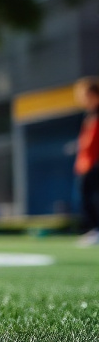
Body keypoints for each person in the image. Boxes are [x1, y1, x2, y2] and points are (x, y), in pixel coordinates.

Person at [74, 77, 99, 247]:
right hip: (86, 164)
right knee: (86, 197)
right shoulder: (89, 115)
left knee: (93, 197)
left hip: (95, 163)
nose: (83, 99)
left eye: (85, 95)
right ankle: (95, 229)